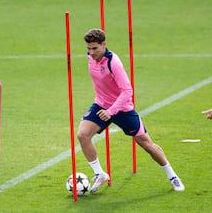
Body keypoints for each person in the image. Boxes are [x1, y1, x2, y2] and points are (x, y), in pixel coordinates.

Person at [77, 28, 185, 193]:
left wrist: (112, 111)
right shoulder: (90, 58)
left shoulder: (114, 63)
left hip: (122, 108)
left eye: (95, 49)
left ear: (104, 45)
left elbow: (127, 91)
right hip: (101, 104)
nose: (91, 53)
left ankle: (172, 176)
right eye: (88, 49)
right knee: (83, 135)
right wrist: (106, 107)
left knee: (146, 144)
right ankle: (99, 173)